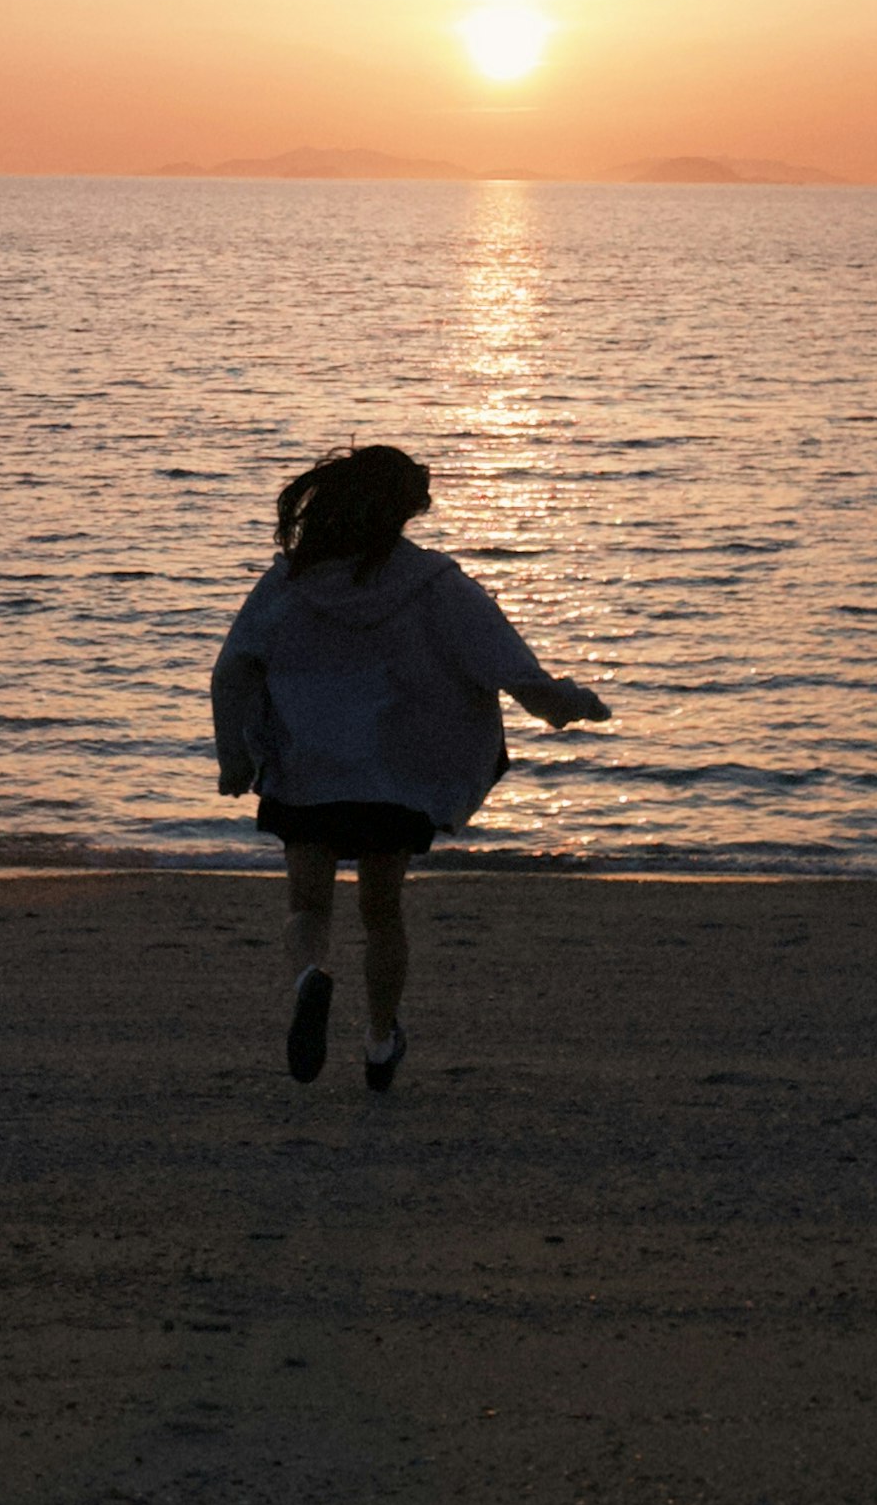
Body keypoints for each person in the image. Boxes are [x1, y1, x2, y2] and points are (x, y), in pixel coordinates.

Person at [208, 444, 611, 1090]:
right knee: (382, 913)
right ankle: (377, 1041)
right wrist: (574, 705)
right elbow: (511, 670)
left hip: (305, 767)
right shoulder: (436, 584)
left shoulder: (288, 581)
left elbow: (233, 669)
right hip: (394, 777)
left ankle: (311, 977)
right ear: (404, 510)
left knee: (308, 904)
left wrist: (235, 756)